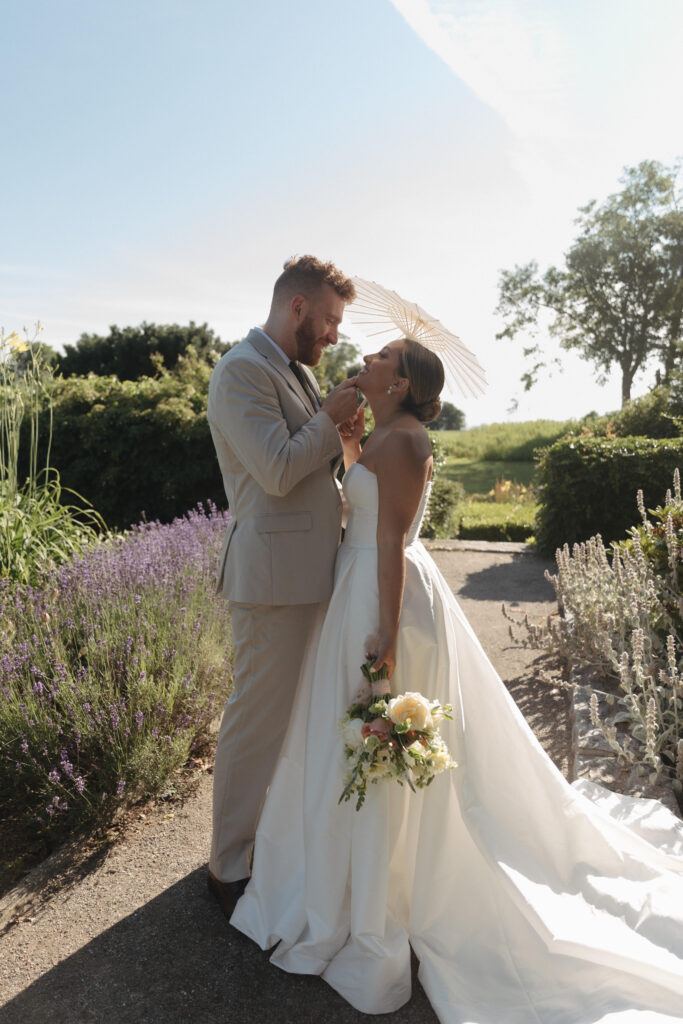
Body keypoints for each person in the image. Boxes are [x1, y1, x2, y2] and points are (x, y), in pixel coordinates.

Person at [231, 337, 683, 1023]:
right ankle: (344, 878)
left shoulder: (408, 441)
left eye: (382, 356)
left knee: (377, 741)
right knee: (345, 737)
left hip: (385, 599)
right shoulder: (386, 436)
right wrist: (351, 447)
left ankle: (382, 891)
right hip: (355, 588)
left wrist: (382, 634)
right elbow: (367, 504)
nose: (368, 359)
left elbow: (391, 541)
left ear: (403, 381)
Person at [206, 255, 359, 916]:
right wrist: (326, 420)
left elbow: (309, 466)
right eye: (327, 320)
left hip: (307, 574)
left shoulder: (292, 371)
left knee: (292, 722)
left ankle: (263, 841)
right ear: (296, 306)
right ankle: (226, 866)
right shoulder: (241, 370)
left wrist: (341, 441)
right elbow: (272, 470)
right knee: (256, 723)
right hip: (272, 581)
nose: (331, 335)